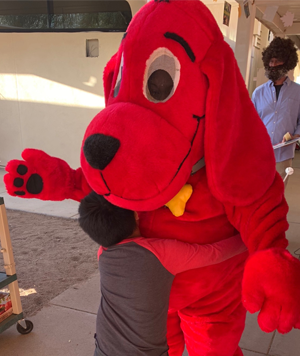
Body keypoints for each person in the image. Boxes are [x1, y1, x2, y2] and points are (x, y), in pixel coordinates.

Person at [78, 191, 247, 356]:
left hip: (104, 348)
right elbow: (214, 253)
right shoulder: (158, 254)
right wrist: (249, 238)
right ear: (137, 214)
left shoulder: (102, 254)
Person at [252, 37, 300, 186]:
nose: (273, 65)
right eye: (271, 61)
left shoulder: (297, 92)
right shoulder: (258, 93)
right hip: (260, 154)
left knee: (278, 195)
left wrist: (296, 135)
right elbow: (250, 123)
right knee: (258, 192)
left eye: (277, 61)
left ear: (287, 62)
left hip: (284, 155)